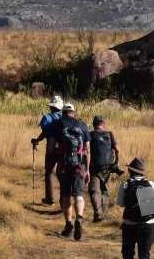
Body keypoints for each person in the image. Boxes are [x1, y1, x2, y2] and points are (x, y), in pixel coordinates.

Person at [52, 102, 91, 240]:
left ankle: (68, 224)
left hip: (64, 165)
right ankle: (79, 218)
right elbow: (87, 149)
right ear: (74, 112)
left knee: (65, 196)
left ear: (63, 112)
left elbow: (53, 146)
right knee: (79, 195)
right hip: (79, 166)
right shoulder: (82, 125)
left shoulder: (58, 124)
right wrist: (87, 170)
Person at [116, 157, 154, 259]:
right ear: (142, 172)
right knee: (144, 254)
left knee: (128, 254)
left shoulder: (125, 185)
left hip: (130, 224)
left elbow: (120, 203)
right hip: (149, 224)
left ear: (130, 171)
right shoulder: (151, 184)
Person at [31, 95, 63, 205]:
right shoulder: (65, 117)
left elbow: (45, 132)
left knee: (49, 172)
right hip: (64, 148)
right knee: (62, 174)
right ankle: (65, 199)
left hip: (51, 148)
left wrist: (37, 140)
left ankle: (50, 199)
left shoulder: (47, 117)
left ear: (51, 107)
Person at [89, 114, 121, 222]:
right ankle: (104, 215)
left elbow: (86, 150)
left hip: (94, 167)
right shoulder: (109, 134)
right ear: (103, 124)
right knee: (105, 191)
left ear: (94, 124)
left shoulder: (91, 134)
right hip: (107, 168)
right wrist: (116, 162)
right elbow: (117, 149)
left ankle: (98, 214)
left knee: (95, 191)